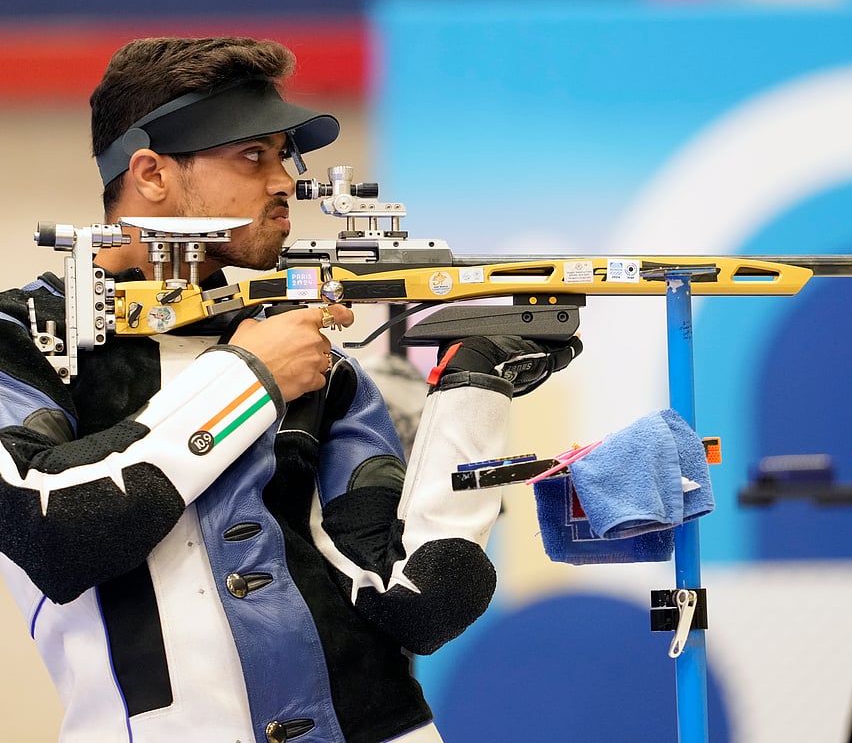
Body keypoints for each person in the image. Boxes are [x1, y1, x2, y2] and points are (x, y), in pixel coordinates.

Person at [0, 37, 580, 743]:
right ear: (151, 173)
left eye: (284, 155)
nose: (285, 183)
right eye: (253, 155)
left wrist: (474, 387)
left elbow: (423, 604)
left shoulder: (312, 358)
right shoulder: (22, 335)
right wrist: (250, 379)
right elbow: (51, 532)